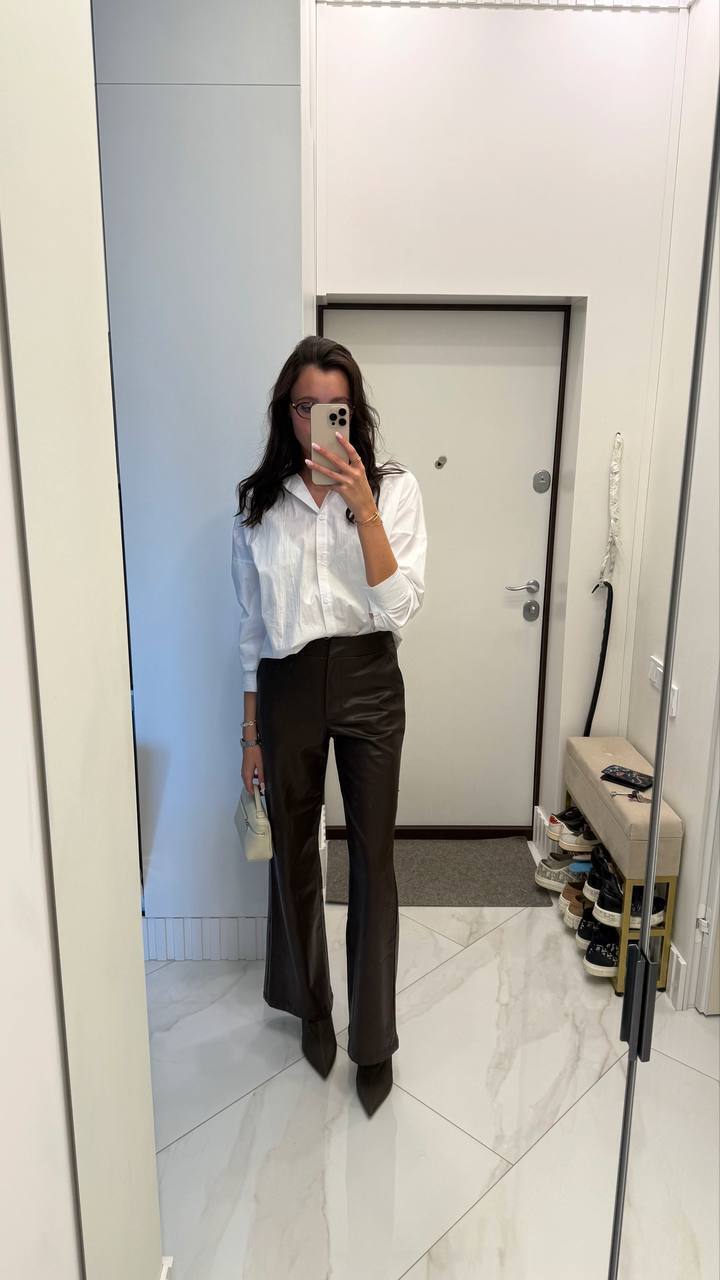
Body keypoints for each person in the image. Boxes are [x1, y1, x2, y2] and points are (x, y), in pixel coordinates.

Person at [231, 336, 427, 1117]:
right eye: (305, 406)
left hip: (369, 677)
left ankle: (373, 1040)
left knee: (373, 860)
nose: (319, 419)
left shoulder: (393, 488)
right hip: (286, 686)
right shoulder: (259, 505)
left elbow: (401, 606)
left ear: (355, 412)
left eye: (333, 407)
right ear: (287, 412)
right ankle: (312, 1007)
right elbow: (252, 631)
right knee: (293, 852)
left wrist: (362, 505)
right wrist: (249, 735)